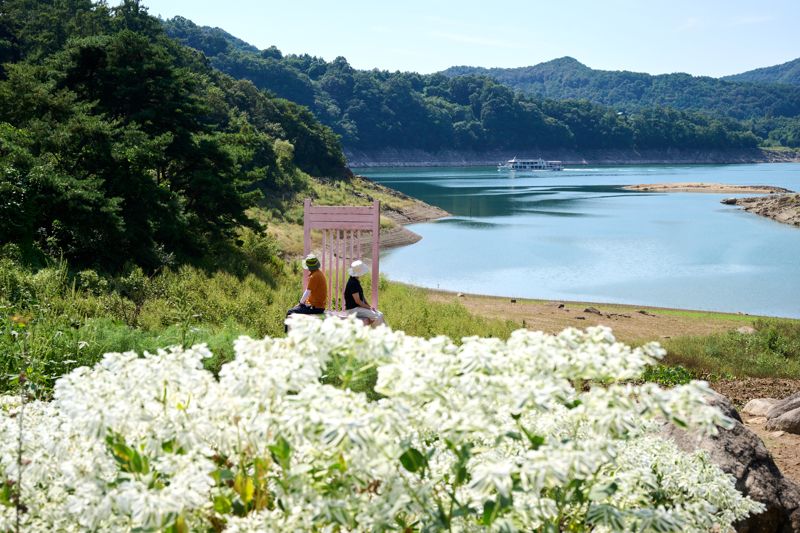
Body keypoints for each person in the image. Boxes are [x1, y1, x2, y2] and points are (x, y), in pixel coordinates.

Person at [285, 254, 327, 332]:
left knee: (290, 312)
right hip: (319, 306)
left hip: (315, 308)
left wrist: (300, 303)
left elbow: (307, 292)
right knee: (297, 309)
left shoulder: (314, 277)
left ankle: (287, 336)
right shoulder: (319, 273)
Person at [344, 260, 386, 327]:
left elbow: (362, 297)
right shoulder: (353, 283)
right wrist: (369, 307)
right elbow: (358, 301)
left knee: (380, 314)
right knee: (378, 316)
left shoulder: (355, 281)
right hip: (352, 310)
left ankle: (382, 333)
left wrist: (369, 306)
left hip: (357, 308)